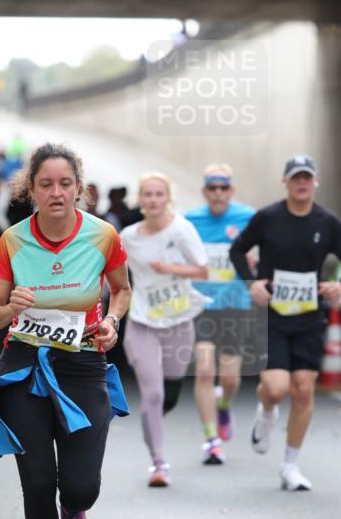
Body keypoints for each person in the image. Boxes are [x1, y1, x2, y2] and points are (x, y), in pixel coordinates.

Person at [0, 143, 131, 519]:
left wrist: (112, 322)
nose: (56, 193)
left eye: (65, 183)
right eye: (45, 184)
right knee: (37, 480)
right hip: (24, 366)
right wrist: (11, 309)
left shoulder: (103, 236)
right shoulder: (13, 242)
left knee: (82, 485)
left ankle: (75, 509)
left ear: (79, 189)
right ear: (31, 190)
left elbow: (122, 289)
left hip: (84, 365)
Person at [229, 154, 341, 490]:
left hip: (310, 315)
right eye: (296, 178)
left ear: (315, 181)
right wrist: (253, 283)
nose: (302, 183)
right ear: (286, 182)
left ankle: (290, 466)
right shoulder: (268, 217)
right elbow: (238, 250)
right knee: (276, 389)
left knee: (304, 390)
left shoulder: (328, 222)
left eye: (307, 177)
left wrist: (338, 284)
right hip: (271, 316)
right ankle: (266, 411)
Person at [121, 173, 209, 486]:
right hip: (142, 320)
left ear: (167, 197)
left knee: (169, 391)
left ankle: (156, 416)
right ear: (140, 199)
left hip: (178, 318)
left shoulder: (182, 229)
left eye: (159, 194)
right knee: (153, 394)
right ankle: (159, 463)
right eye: (147, 194)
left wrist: (169, 268)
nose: (153, 200)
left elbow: (202, 268)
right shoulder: (128, 236)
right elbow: (114, 274)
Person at [185, 165, 256, 460]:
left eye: (223, 188)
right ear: (204, 191)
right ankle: (211, 440)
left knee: (229, 378)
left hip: (235, 306)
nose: (217, 193)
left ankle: (224, 404)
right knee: (204, 368)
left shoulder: (247, 217)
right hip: (201, 305)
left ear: (231, 191)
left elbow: (266, 249)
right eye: (212, 188)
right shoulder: (190, 220)